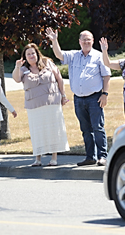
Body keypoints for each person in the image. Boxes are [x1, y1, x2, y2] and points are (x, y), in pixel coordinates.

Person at [45, 28, 111, 167]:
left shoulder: (99, 56)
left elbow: (106, 76)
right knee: (85, 129)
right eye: (84, 39)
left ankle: (102, 156)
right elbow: (59, 55)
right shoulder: (74, 55)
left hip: (95, 98)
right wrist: (54, 40)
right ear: (79, 41)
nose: (86, 42)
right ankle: (90, 157)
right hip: (79, 99)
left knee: (98, 127)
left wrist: (105, 94)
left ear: (93, 41)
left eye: (89, 39)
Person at [12, 44, 69, 166]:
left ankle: (54, 158)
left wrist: (63, 96)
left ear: (37, 53)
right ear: (25, 57)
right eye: (28, 54)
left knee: (53, 129)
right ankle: (38, 159)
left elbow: (59, 79)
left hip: (52, 103)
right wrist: (17, 67)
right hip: (34, 106)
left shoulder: (47, 62)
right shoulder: (23, 69)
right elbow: (16, 79)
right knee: (37, 131)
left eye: (33, 53)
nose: (31, 56)